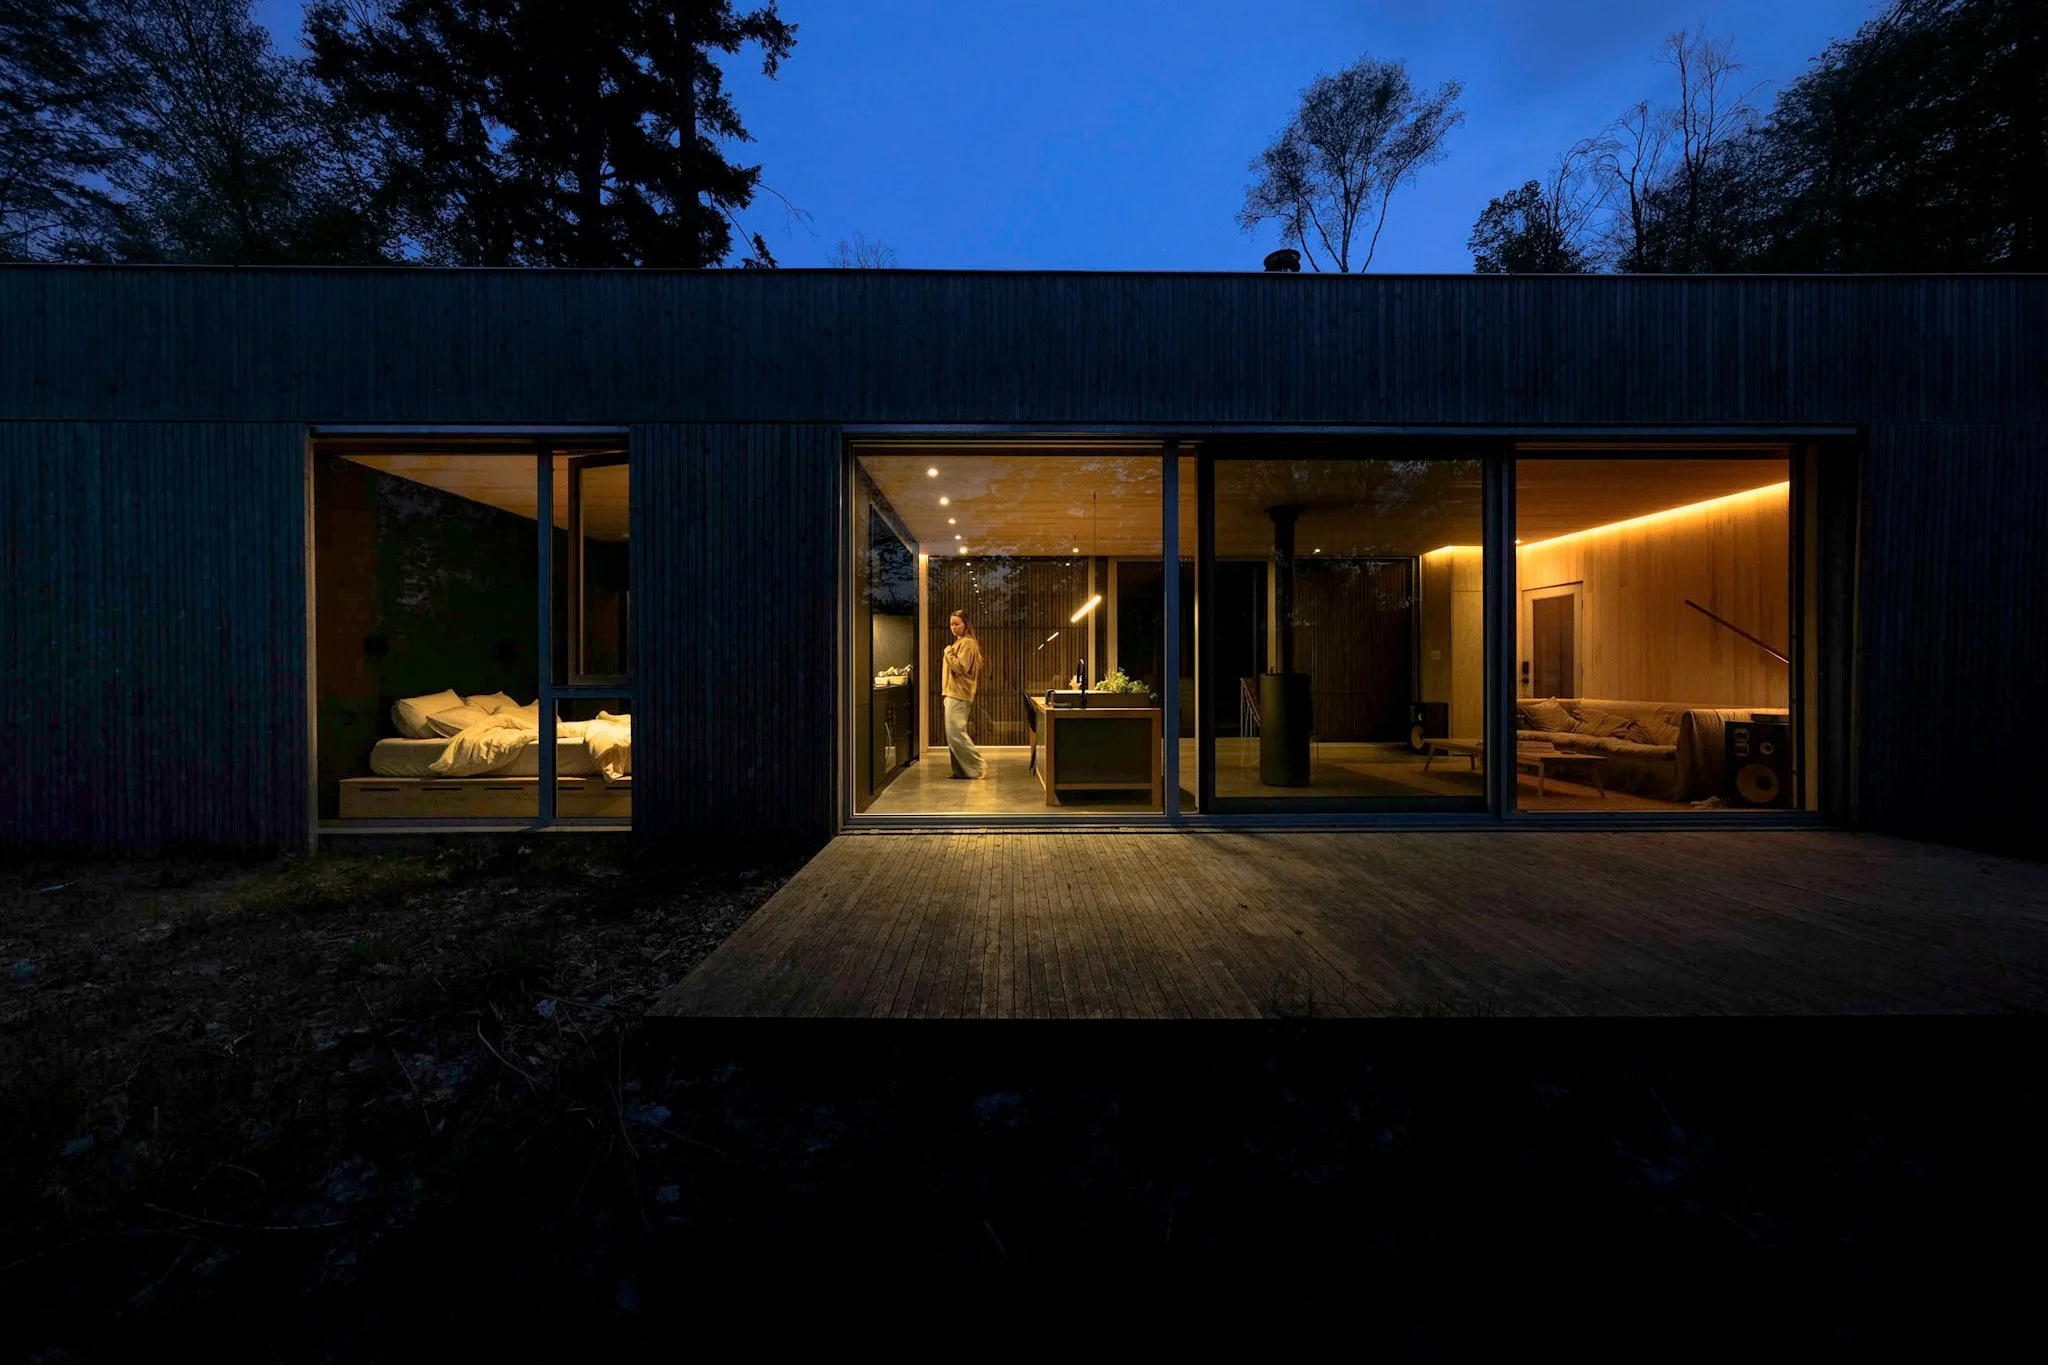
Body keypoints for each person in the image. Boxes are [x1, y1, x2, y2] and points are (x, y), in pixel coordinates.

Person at [942, 609, 986, 779]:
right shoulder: (960, 642)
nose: (953, 627)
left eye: (957, 624)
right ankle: (962, 771)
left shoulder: (966, 643)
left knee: (956, 733)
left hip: (959, 693)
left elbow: (961, 667)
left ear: (966, 624)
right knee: (952, 734)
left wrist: (947, 652)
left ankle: (977, 766)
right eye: (951, 624)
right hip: (953, 693)